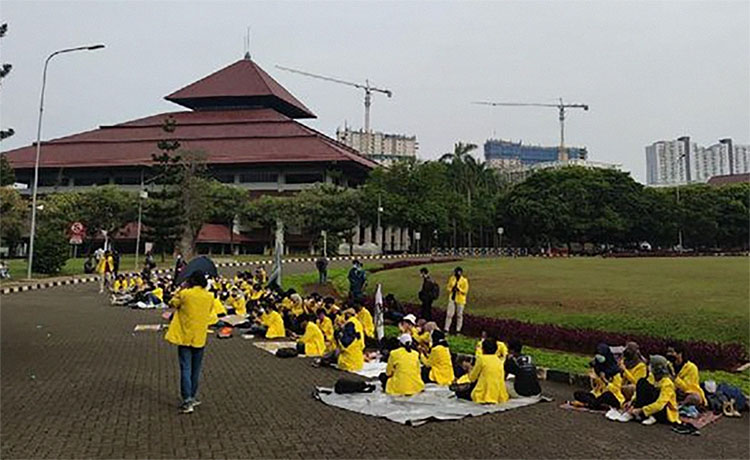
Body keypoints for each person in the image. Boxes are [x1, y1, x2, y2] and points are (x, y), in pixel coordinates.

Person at [164, 270, 214, 414]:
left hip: (185, 335)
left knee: (185, 368)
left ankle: (187, 400)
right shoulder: (209, 296)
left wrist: (181, 288)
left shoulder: (185, 294)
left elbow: (172, 302)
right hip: (200, 336)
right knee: (196, 369)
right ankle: (192, 396)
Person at [626, 355, 683, 428]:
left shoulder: (667, 384)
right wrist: (632, 402)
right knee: (642, 382)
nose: (648, 366)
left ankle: (652, 416)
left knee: (656, 393)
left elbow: (660, 405)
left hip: (664, 411)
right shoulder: (651, 377)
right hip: (651, 406)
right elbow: (640, 391)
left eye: (651, 365)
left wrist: (641, 410)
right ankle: (636, 412)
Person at [455, 337, 508, 404]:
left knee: (460, 393)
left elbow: (472, 378)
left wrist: (469, 369)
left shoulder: (481, 359)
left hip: (483, 393)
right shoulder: (499, 360)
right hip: (498, 393)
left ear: (483, 349)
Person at [573, 343, 625, 410]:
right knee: (578, 394)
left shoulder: (615, 372)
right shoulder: (599, 368)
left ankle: (591, 404)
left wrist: (605, 381)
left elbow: (616, 390)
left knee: (606, 396)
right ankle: (595, 404)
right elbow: (597, 388)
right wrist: (594, 379)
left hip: (613, 396)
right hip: (598, 395)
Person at [666, 343, 706, 407]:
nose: (668, 354)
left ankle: (681, 405)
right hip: (673, 392)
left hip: (687, 393)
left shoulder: (691, 368)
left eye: (671, 352)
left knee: (695, 398)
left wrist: (674, 378)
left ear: (680, 354)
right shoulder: (668, 365)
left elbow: (687, 388)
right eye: (668, 352)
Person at [444, 266, 469, 334]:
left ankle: (458, 329)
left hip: (460, 299)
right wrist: (451, 289)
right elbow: (448, 287)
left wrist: (459, 289)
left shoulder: (464, 280)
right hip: (452, 298)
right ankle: (446, 328)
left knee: (459, 315)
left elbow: (465, 291)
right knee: (449, 314)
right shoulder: (452, 278)